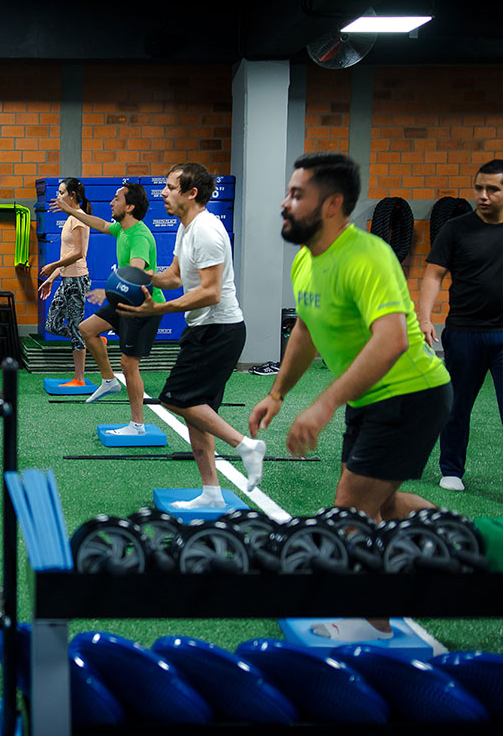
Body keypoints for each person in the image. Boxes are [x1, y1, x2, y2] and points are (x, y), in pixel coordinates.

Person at [250, 152, 452, 642]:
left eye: (297, 195)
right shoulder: (306, 258)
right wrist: (278, 393)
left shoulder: (367, 256)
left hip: (411, 394)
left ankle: (374, 622)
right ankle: (459, 537)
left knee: (350, 510)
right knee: (378, 507)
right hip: (374, 400)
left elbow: (392, 340)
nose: (285, 203)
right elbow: (306, 329)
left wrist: (323, 405)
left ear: (333, 204)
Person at [119, 163, 265, 505]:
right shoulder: (187, 228)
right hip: (203, 328)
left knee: (174, 398)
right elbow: (174, 276)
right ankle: (212, 493)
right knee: (197, 413)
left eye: (170, 187)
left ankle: (246, 446)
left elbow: (211, 292)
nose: (163, 193)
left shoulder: (206, 231)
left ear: (191, 192)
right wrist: (141, 277)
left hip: (220, 331)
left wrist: (157, 309)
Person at [416, 159, 503, 492]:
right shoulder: (456, 229)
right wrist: (424, 317)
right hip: (464, 332)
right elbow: (434, 274)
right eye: (479, 188)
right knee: (457, 404)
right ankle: (451, 469)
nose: (483, 195)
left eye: (492, 189)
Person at [52, 182, 165, 437]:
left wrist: (108, 291)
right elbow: (100, 224)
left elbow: (135, 273)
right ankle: (108, 380)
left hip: (144, 305)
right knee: (86, 329)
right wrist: (71, 210)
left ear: (130, 206)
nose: (111, 203)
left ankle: (137, 426)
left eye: (116, 199)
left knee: (128, 363)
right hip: (126, 300)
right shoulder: (122, 229)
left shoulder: (139, 236)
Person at [38, 178, 91, 387]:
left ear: (72, 196)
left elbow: (79, 253)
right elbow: (69, 254)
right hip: (66, 280)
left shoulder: (78, 219)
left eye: (61, 193)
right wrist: (51, 279)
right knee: (51, 325)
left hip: (77, 281)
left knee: (76, 330)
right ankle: (89, 339)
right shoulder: (71, 219)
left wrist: (52, 265)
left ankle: (79, 378)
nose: (58, 197)